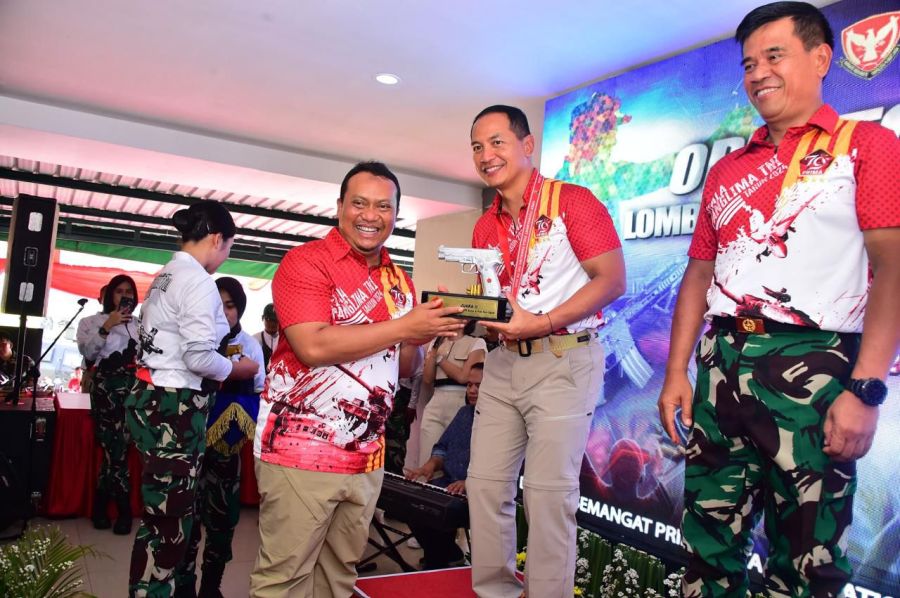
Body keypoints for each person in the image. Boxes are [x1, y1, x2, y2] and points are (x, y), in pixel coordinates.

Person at [657, 3, 900, 596]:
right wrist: (677, 371)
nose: (758, 73)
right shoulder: (727, 170)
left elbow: (893, 268)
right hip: (722, 364)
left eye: (774, 56)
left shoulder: (866, 146)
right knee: (708, 546)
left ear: (821, 59)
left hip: (814, 367)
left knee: (806, 560)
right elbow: (699, 273)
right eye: (748, 64)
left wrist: (866, 389)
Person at [249, 161, 465, 598]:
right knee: (284, 581)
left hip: (367, 457)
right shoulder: (306, 262)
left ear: (396, 214)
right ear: (339, 207)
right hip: (300, 452)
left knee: (340, 577)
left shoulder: (398, 280)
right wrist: (404, 327)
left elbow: (400, 367)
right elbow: (313, 346)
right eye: (360, 203)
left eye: (383, 206)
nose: (371, 215)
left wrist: (426, 332)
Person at [466, 105, 625, 598]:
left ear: (527, 145)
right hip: (502, 364)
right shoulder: (484, 226)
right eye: (477, 147)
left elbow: (612, 281)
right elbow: (493, 304)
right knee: (484, 486)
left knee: (547, 497)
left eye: (497, 142)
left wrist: (542, 322)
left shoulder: (572, 202)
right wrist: (467, 316)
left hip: (563, 357)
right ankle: (495, 592)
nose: (486, 155)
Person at [126, 201, 258, 598]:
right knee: (169, 526)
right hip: (175, 409)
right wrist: (238, 370)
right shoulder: (198, 281)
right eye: (229, 246)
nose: (226, 255)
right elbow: (198, 357)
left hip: (154, 399)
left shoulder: (167, 274)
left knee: (160, 519)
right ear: (217, 239)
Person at [176, 277, 266, 598]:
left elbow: (259, 392)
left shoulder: (250, 345)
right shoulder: (192, 340)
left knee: (222, 521)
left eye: (229, 305)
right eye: (217, 305)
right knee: (185, 517)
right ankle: (183, 585)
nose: (223, 312)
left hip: (226, 448)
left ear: (239, 308)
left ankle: (211, 586)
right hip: (188, 445)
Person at [76, 274, 141, 535]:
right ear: (109, 294)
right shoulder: (90, 322)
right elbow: (88, 353)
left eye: (129, 292)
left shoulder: (141, 325)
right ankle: (124, 510)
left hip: (133, 392)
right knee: (113, 449)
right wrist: (107, 326)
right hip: (105, 391)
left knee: (118, 451)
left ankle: (100, 506)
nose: (125, 296)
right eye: (119, 291)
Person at [406, 362, 484, 570]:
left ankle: (439, 563)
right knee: (410, 505)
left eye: (478, 385)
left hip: (475, 492)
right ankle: (447, 556)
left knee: (437, 512)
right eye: (469, 385)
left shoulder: (500, 422)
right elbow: (442, 448)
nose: (472, 390)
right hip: (447, 483)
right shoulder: (465, 413)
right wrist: (429, 465)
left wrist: (468, 482)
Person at [416, 319, 486, 468]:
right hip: (436, 398)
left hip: (460, 399)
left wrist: (439, 359)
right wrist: (433, 353)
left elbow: (464, 377)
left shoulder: (476, 342)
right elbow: (427, 379)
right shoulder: (437, 342)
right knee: (426, 455)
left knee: (454, 454)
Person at [253, 303, 279, 373]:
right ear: (262, 318)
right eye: (268, 319)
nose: (272, 323)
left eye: (275, 320)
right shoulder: (255, 339)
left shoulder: (285, 340)